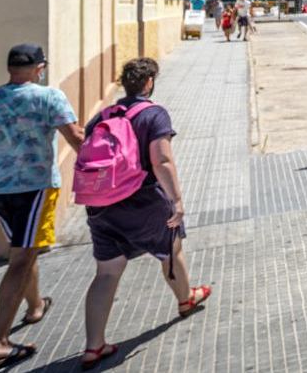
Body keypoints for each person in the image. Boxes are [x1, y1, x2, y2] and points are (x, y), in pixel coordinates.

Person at [0, 44, 83, 370]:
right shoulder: (49, 97)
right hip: (35, 188)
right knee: (22, 258)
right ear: (40, 67)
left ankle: (35, 305)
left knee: (24, 249)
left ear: (10, 68)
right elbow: (76, 138)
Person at [79, 57, 211, 368]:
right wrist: (176, 200)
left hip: (100, 205)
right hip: (142, 201)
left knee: (107, 272)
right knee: (170, 249)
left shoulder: (100, 117)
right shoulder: (153, 114)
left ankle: (93, 345)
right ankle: (185, 299)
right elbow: (161, 161)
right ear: (149, 82)